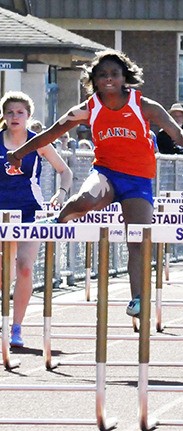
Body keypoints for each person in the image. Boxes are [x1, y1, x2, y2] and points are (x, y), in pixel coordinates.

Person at [6, 49, 183, 318]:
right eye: (102, 75)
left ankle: (137, 299)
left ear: (125, 78)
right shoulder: (87, 108)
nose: (108, 79)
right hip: (106, 172)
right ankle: (58, 220)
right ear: (94, 80)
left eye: (114, 74)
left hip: (138, 179)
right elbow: (51, 132)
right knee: (88, 198)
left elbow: (175, 131)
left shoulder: (144, 105)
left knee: (138, 239)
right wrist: (19, 154)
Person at [0, 91, 72, 347]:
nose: (15, 116)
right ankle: (4, 319)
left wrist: (61, 193)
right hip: (1, 214)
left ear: (29, 116)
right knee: (3, 272)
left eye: (20, 112)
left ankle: (16, 327)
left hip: (30, 212)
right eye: (10, 112)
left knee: (25, 267)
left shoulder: (38, 142)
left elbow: (65, 171)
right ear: (4, 116)